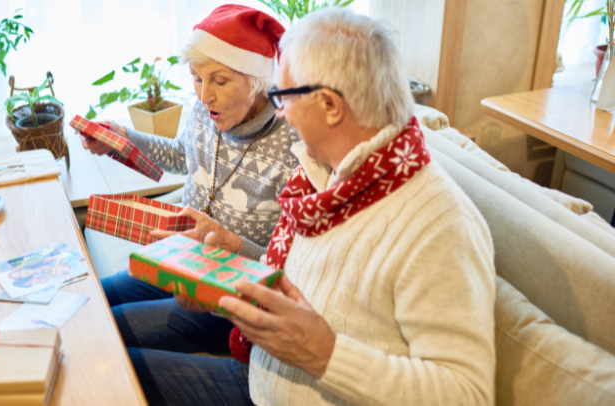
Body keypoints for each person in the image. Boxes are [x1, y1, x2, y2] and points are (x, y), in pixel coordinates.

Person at [129, 8, 497, 406]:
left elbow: (468, 395)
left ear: (330, 106)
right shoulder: (325, 177)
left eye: (282, 96)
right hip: (259, 370)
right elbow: (290, 295)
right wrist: (224, 284)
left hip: (276, 389)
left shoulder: (437, 224)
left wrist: (325, 355)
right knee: (110, 352)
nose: (279, 113)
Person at [80, 5, 302, 366]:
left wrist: (229, 243)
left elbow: (286, 263)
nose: (203, 96)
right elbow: (182, 156)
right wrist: (121, 139)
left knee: (107, 330)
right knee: (90, 299)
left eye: (219, 80)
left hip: (230, 290)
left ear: (256, 79)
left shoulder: (293, 141)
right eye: (196, 78)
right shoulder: (206, 108)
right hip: (182, 256)